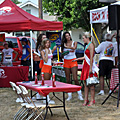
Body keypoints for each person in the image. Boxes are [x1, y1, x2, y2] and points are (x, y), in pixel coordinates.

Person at [74, 32, 99, 106]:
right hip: (85, 64)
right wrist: (78, 59)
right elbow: (86, 56)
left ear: (87, 38)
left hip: (89, 65)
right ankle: (86, 99)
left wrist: (91, 68)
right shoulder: (87, 45)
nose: (83, 39)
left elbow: (91, 58)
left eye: (83, 38)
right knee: (85, 83)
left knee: (91, 84)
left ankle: (92, 100)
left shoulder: (91, 45)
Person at [61, 31, 83, 101]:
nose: (68, 37)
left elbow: (74, 48)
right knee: (68, 79)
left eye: (69, 35)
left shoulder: (74, 42)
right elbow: (61, 54)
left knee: (75, 78)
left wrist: (67, 47)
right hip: (66, 61)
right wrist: (63, 53)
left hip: (73, 60)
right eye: (66, 36)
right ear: (64, 37)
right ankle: (69, 95)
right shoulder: (63, 44)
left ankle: (79, 94)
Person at [41, 38, 56, 104]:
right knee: (46, 83)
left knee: (48, 82)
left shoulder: (50, 49)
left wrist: (53, 62)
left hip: (50, 67)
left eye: (48, 43)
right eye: (46, 43)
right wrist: (46, 53)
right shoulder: (43, 51)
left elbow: (49, 59)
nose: (47, 44)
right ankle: (45, 98)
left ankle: (46, 97)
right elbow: (46, 60)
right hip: (45, 67)